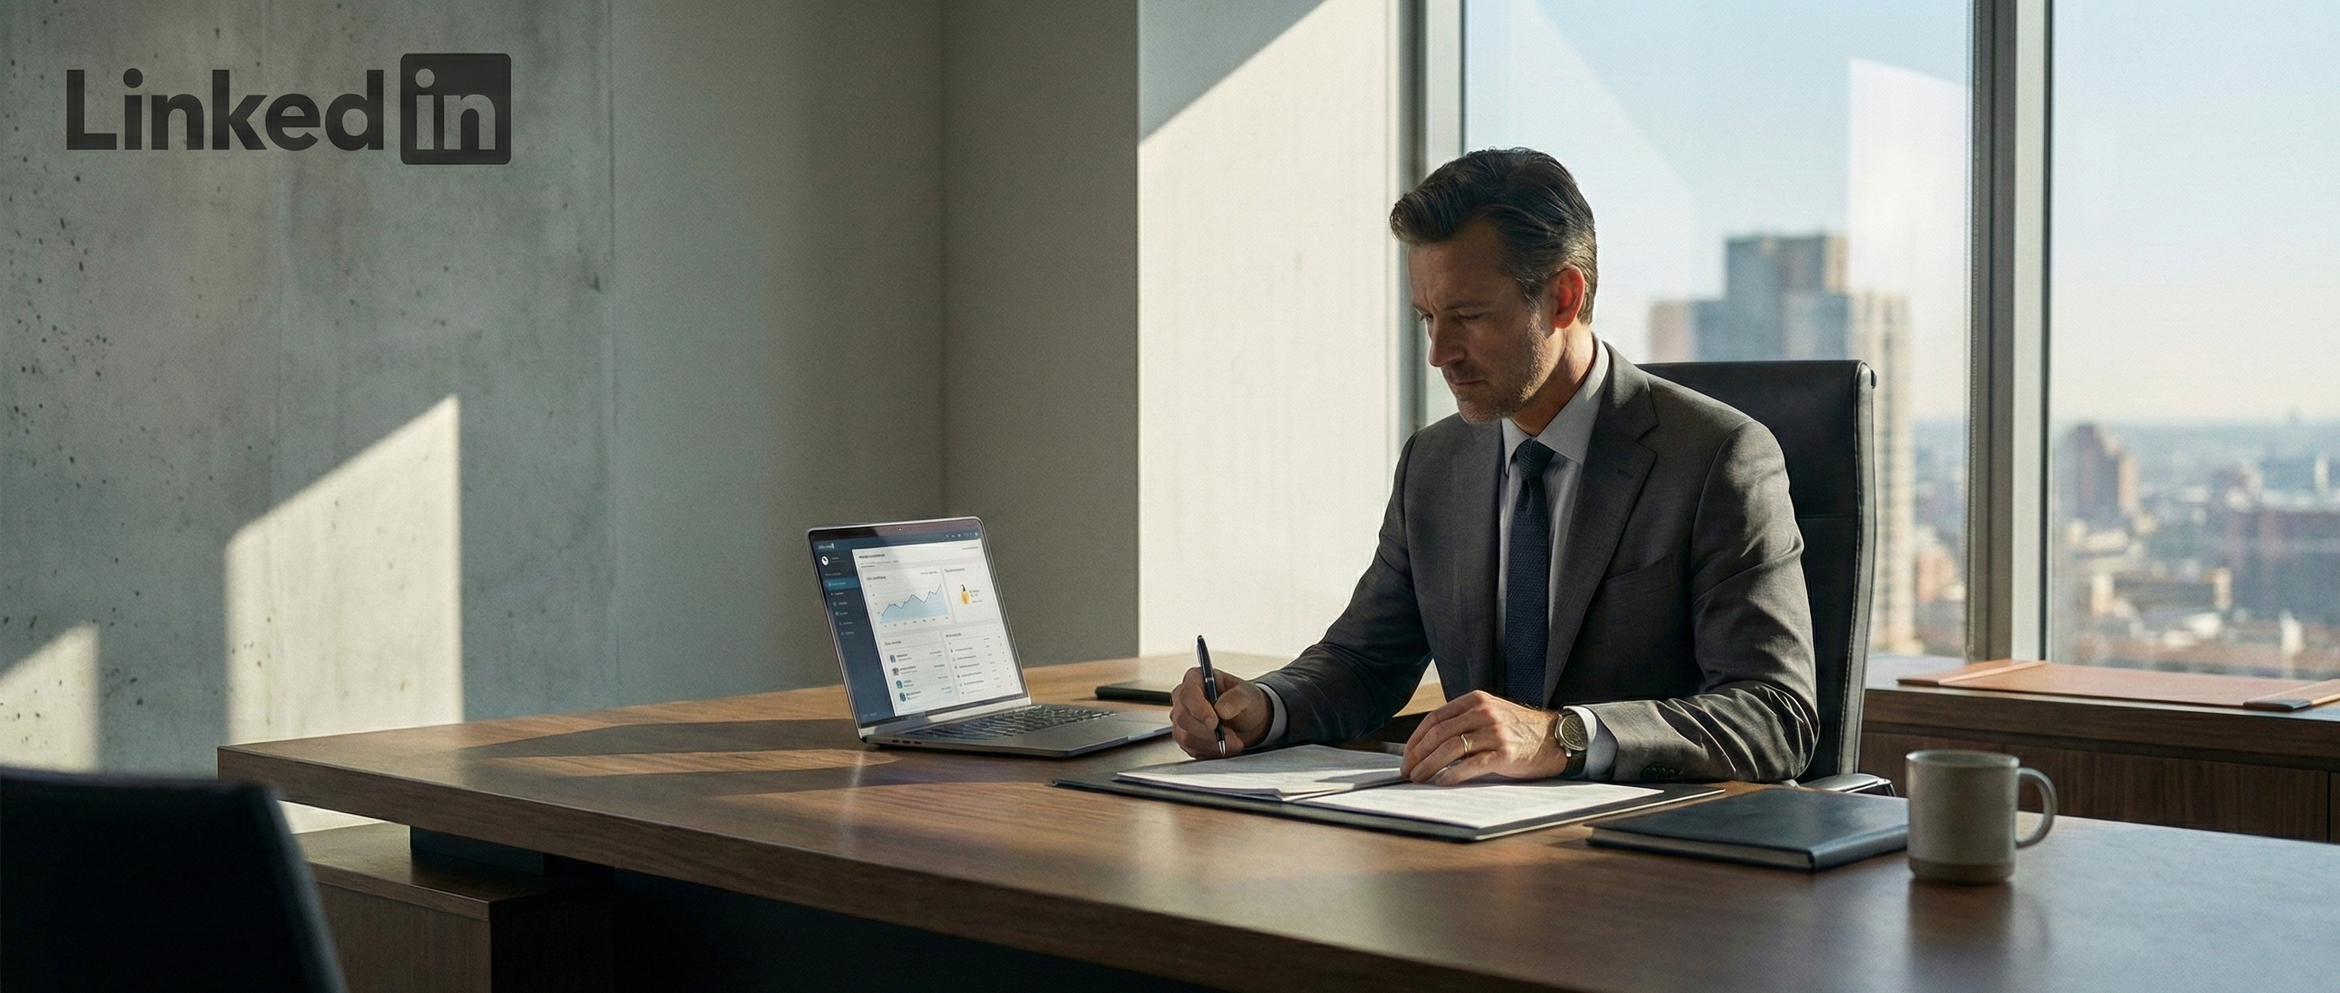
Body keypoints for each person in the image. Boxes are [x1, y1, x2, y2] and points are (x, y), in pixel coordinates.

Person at [1168, 148, 1818, 784]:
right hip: (1468, 840)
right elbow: (1365, 662)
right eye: (1427, 318)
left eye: (1468, 317)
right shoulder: (1436, 462)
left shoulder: (1718, 458)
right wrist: (1263, 707)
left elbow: (1773, 716)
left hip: (1646, 854)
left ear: (1564, 297)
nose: (1438, 353)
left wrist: (1564, 735)